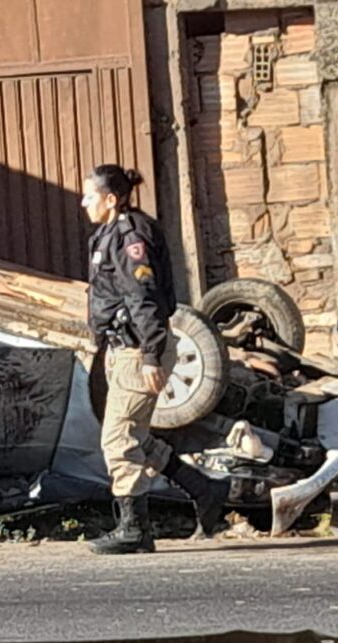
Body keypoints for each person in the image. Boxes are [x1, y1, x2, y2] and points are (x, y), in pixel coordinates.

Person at [83, 165, 229, 555]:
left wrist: (150, 354)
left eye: (89, 196)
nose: (84, 203)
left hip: (137, 349)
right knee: (135, 435)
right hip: (122, 349)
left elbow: (142, 297)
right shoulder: (109, 234)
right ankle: (205, 488)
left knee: (117, 439)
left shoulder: (132, 236)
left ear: (111, 199)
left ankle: (134, 529)